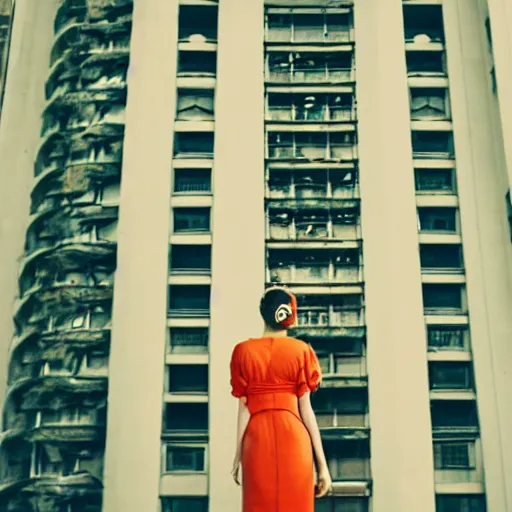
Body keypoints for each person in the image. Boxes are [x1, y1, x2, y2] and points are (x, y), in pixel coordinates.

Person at [230, 286, 333, 512]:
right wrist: (322, 466)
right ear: (291, 316)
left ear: (263, 313)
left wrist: (238, 455)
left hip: (256, 440)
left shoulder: (242, 352)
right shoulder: (302, 351)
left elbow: (244, 409)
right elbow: (307, 411)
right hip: (295, 438)